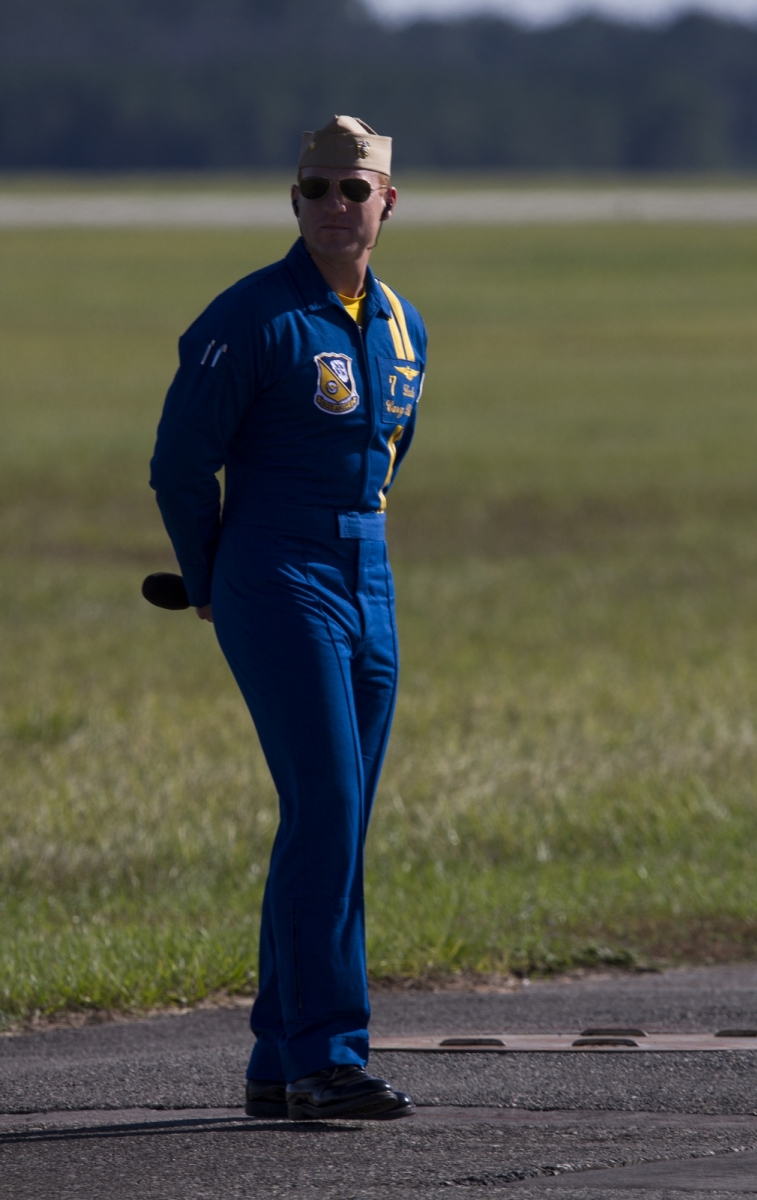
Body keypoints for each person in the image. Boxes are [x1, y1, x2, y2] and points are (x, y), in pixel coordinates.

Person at [150, 116, 426, 1121]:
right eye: (314, 189)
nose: (332, 207)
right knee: (328, 810)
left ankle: (278, 1058)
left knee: (335, 822)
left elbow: (390, 453)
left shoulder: (400, 323)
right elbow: (181, 464)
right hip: (276, 571)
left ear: (385, 201)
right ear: (294, 199)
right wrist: (214, 578)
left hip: (367, 572)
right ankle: (328, 1057)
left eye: (352, 190)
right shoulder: (252, 316)